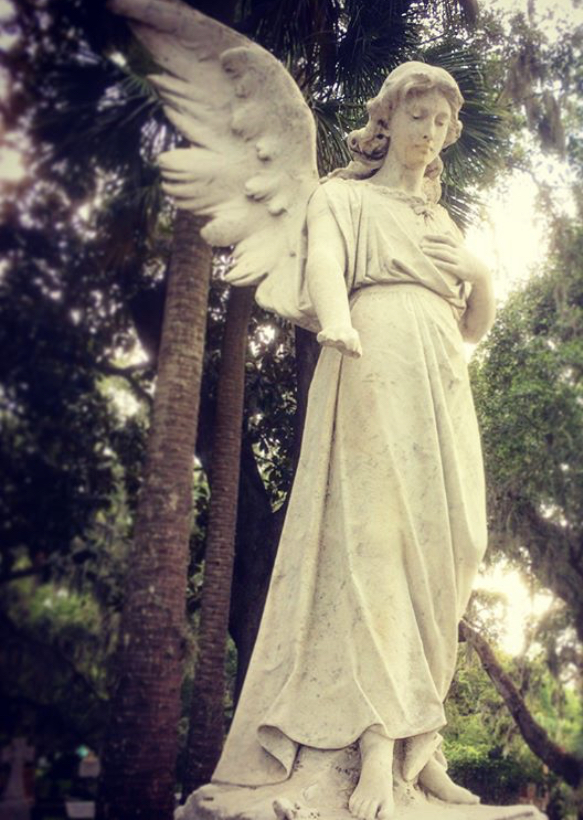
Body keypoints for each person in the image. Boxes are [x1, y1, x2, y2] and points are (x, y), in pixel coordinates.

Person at [212, 62, 496, 820]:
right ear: (388, 120)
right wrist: (337, 321)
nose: (428, 131)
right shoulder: (344, 197)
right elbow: (327, 264)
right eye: (417, 116)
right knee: (375, 540)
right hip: (374, 349)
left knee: (457, 542)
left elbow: (473, 325)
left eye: (441, 122)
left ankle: (421, 746)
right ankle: (376, 747)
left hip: (441, 369)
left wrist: (482, 277)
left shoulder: (442, 224)